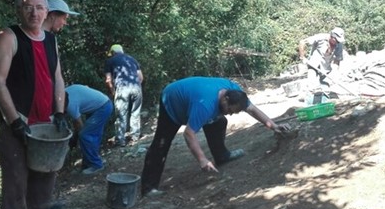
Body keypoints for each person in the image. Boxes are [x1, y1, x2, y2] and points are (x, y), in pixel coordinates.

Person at [0, 0, 68, 209]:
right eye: (27, 8)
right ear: (19, 11)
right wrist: (14, 121)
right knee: (16, 183)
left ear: (47, 11)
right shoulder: (8, 37)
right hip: (19, 121)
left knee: (44, 178)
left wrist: (59, 112)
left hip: (45, 122)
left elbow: (58, 77)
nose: (34, 13)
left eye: (39, 7)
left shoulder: (51, 40)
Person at [140, 76, 290, 197]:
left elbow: (252, 110)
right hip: (172, 102)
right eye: (230, 110)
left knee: (219, 121)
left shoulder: (235, 93)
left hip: (194, 99)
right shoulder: (205, 104)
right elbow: (189, 133)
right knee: (161, 143)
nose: (231, 113)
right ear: (225, 99)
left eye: (235, 112)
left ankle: (222, 156)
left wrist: (274, 126)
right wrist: (202, 159)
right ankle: (149, 188)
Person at [65, 84, 113, 175]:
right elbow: (76, 122)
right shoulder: (64, 94)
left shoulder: (69, 104)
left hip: (103, 107)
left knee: (85, 135)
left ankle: (96, 165)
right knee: (89, 136)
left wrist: (75, 137)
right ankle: (88, 163)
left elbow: (79, 124)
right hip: (99, 105)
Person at [104, 44, 143, 147]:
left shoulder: (110, 61)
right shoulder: (132, 59)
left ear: (112, 52)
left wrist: (112, 91)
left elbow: (108, 80)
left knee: (121, 115)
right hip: (136, 87)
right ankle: (135, 137)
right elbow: (141, 77)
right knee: (135, 112)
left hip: (122, 88)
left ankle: (120, 140)